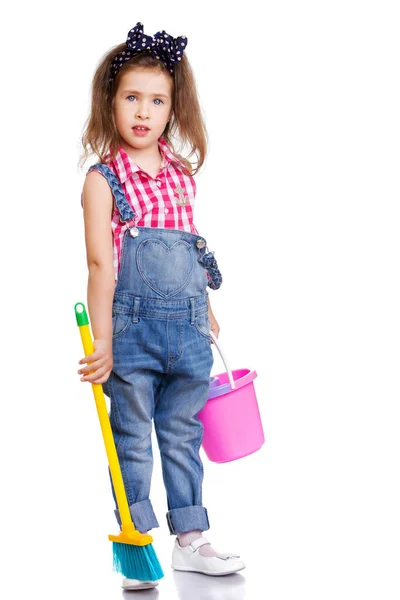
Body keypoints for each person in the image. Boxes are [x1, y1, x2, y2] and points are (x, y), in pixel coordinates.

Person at [77, 22, 245, 591]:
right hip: (132, 333)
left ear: (174, 108)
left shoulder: (179, 171)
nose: (143, 111)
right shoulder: (103, 180)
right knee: (130, 436)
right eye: (131, 97)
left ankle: (191, 540)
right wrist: (102, 341)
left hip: (189, 329)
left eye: (157, 99)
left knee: (182, 433)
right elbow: (102, 267)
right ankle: (136, 536)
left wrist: (206, 309)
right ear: (111, 102)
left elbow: (189, 241)